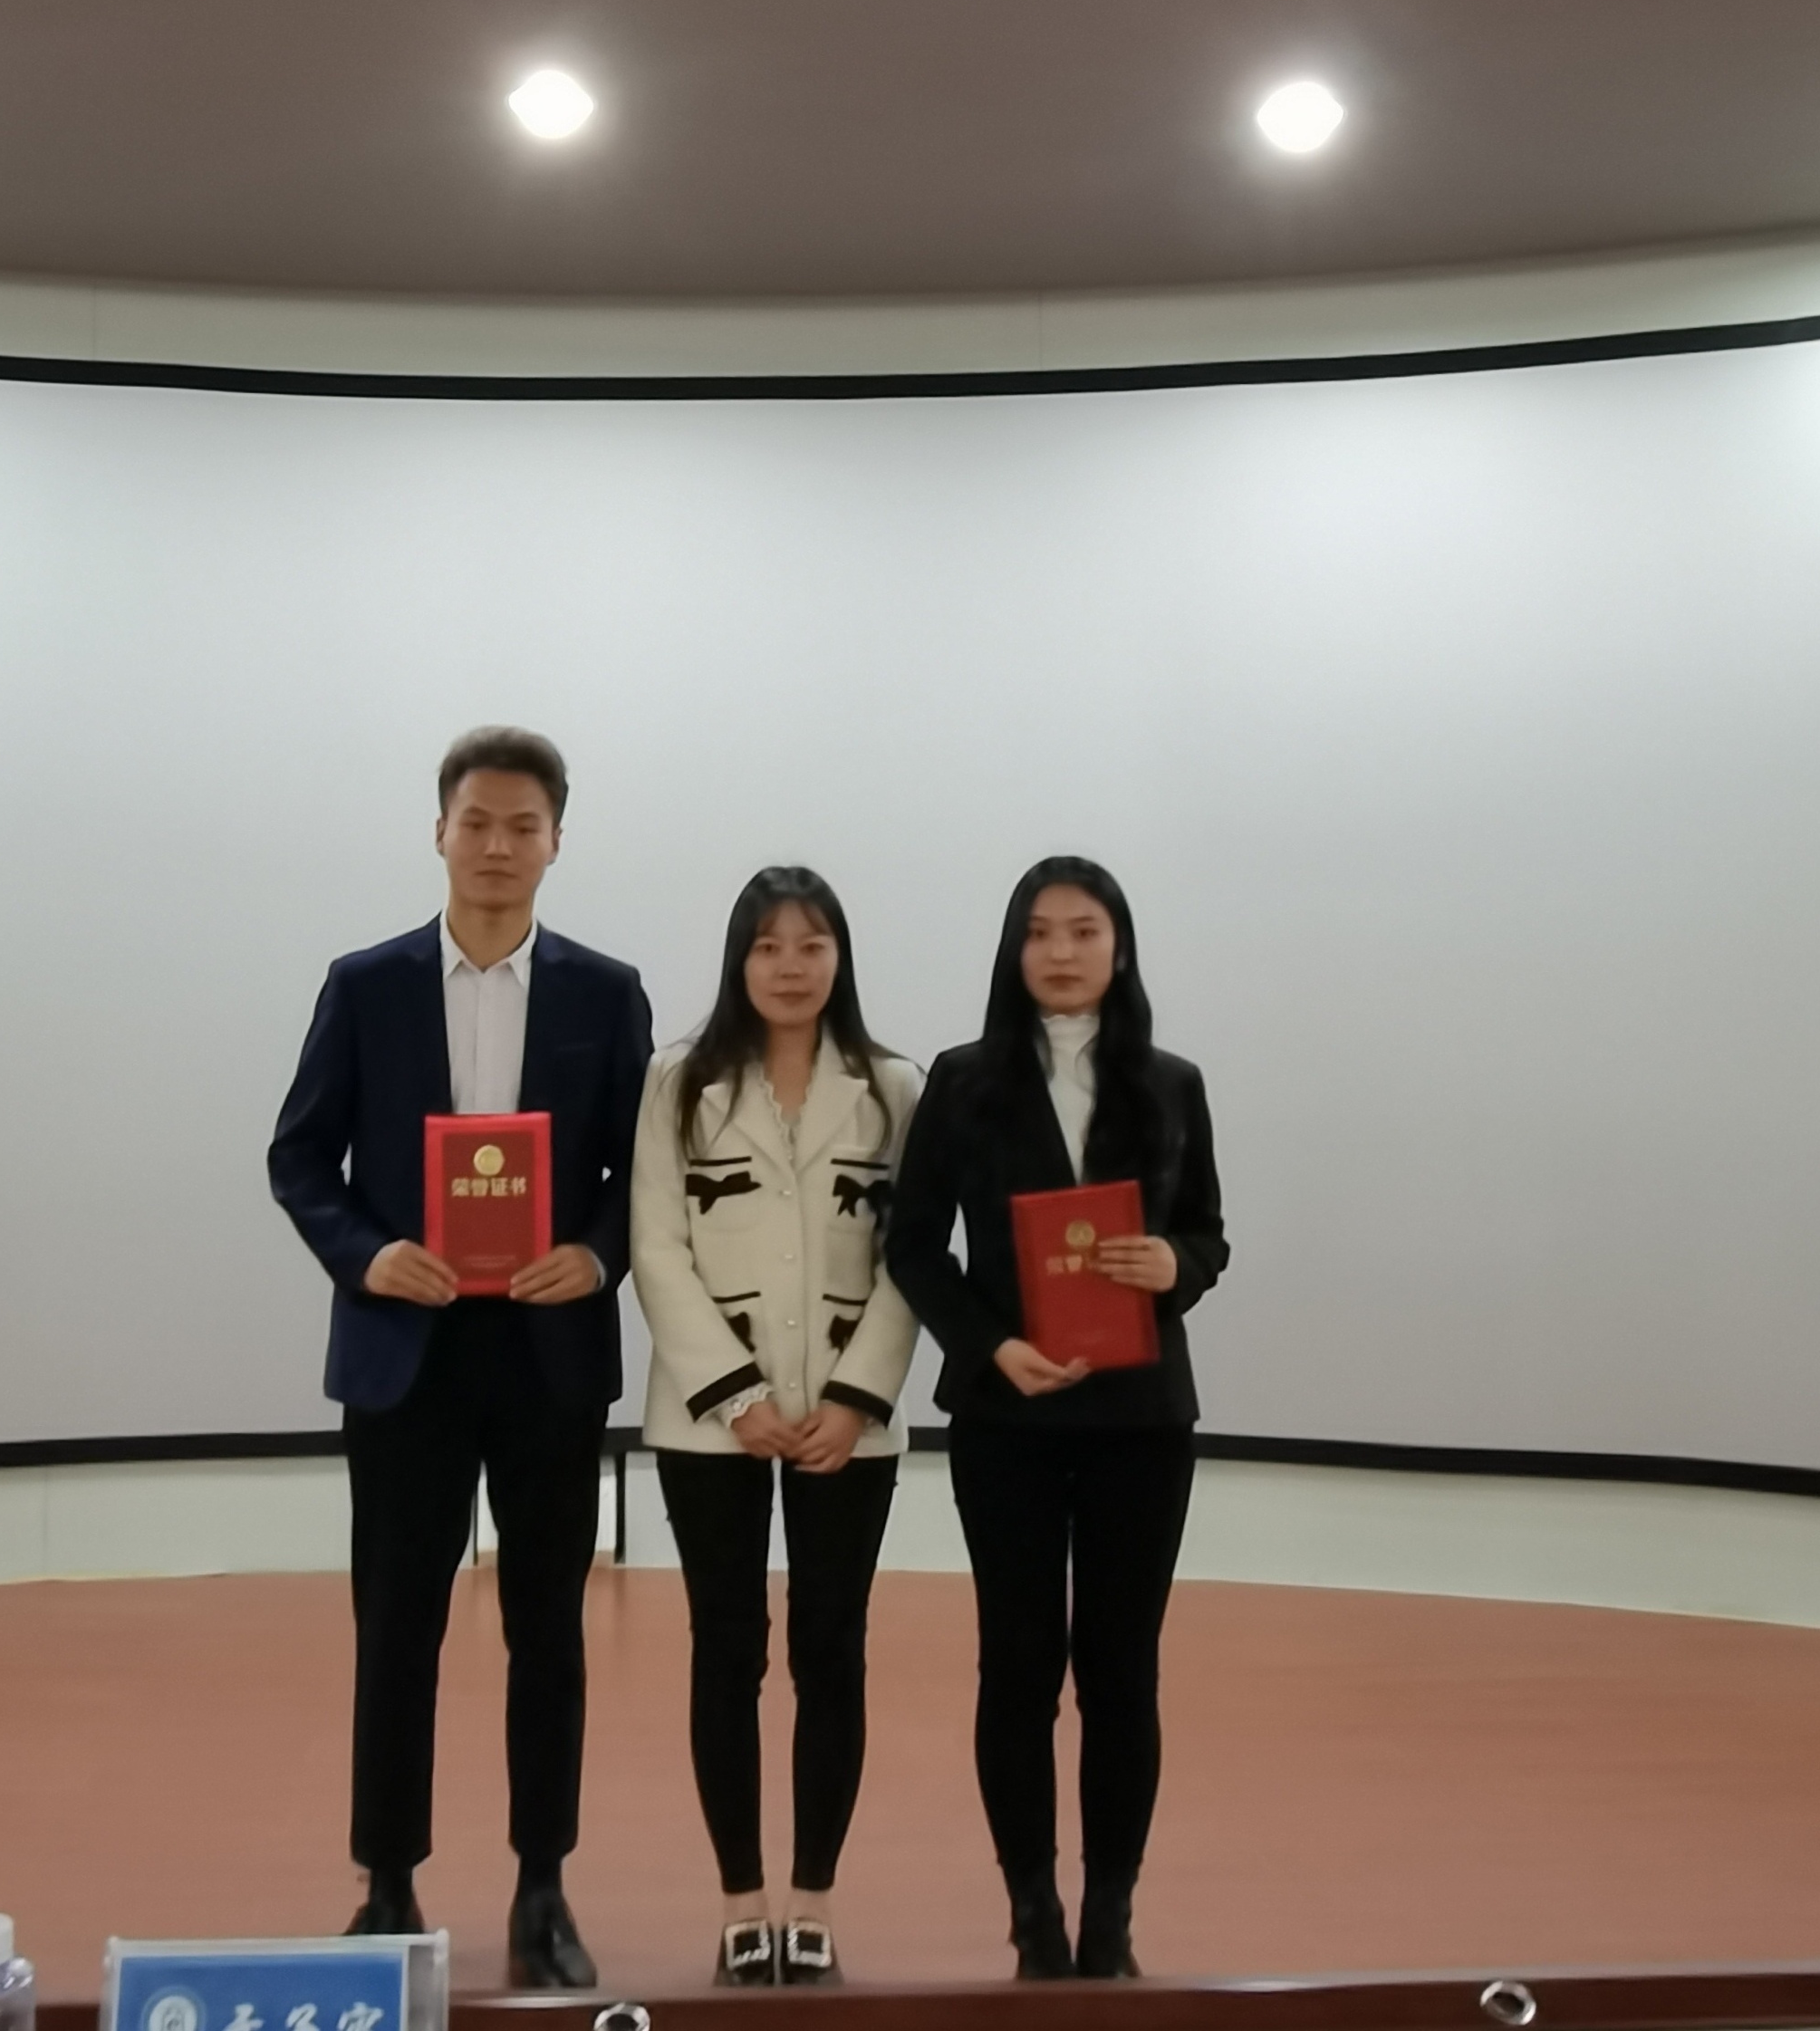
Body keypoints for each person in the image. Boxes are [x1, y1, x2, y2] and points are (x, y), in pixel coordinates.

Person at [266, 727, 654, 1988]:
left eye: (521, 826)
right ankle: (386, 1882)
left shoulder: (606, 993)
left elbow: (636, 1174)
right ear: (439, 830)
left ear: (555, 841)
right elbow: (299, 1158)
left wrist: (595, 1254)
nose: (496, 845)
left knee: (550, 1631)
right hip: (406, 1356)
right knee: (397, 1627)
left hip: (549, 1357)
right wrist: (365, 1253)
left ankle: (543, 1885)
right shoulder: (365, 984)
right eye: (475, 822)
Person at [885, 856, 1228, 1982]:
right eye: (1040, 932)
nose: (1063, 951)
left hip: (1141, 1420)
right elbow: (913, 1244)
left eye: (1085, 930)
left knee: (1122, 1670)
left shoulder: (1171, 1082)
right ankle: (1033, 1914)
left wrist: (1174, 1263)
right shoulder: (962, 1078)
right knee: (1018, 1665)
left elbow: (1208, 1234)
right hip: (1008, 1416)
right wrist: (988, 1343)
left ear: (1119, 947)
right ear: (1013, 949)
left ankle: (1110, 1917)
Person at [630, 867, 924, 1988]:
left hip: (850, 1421)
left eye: (811, 945)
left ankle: (813, 1901)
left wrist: (856, 1395)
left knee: (831, 1649)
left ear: (840, 956)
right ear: (738, 959)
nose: (790, 966)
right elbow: (656, 1244)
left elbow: (913, 1253)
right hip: (713, 1422)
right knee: (727, 1647)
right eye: (767, 945)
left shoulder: (895, 1087)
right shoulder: (680, 1080)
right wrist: (734, 1394)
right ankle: (741, 1902)